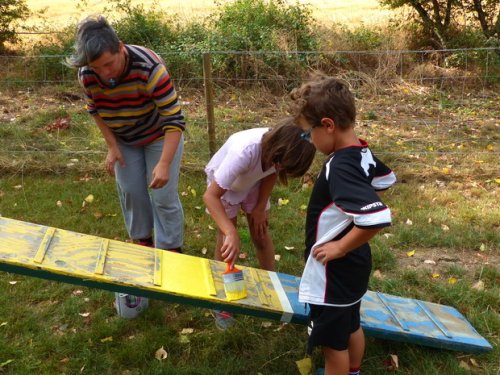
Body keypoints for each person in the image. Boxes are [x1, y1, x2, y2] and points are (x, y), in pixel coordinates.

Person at [289, 74, 396, 375]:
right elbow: (387, 179)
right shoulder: (361, 152)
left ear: (328, 125)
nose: (308, 140)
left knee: (332, 344)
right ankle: (354, 371)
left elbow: (376, 218)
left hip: (334, 269)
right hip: (356, 264)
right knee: (352, 323)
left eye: (307, 133)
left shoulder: (339, 166)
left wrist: (338, 246)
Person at [66, 15, 185, 252]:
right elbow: (95, 110)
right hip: (124, 138)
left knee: (163, 196)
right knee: (131, 191)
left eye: (108, 64)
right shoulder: (87, 73)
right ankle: (142, 247)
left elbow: (174, 120)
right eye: (96, 67)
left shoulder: (151, 68)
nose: (103, 73)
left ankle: (171, 253)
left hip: (160, 134)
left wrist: (164, 163)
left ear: (120, 47)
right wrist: (112, 145)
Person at [203, 117, 316, 329]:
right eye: (282, 165)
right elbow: (210, 197)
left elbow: (271, 172)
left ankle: (270, 286)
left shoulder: (281, 148)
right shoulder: (243, 152)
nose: (281, 169)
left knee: (261, 232)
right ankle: (222, 300)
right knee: (227, 239)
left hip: (252, 183)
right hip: (224, 187)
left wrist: (259, 207)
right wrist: (229, 231)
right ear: (276, 153)